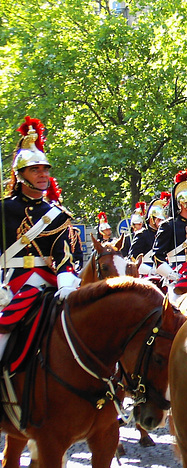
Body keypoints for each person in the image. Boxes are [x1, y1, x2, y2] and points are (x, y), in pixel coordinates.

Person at [0, 116, 79, 360]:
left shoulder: (55, 214)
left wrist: (66, 284)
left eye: (45, 169)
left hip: (48, 283)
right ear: (21, 174)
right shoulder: (4, 210)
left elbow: (64, 256)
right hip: (10, 285)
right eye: (35, 170)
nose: (43, 174)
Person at [151, 169, 187, 299]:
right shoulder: (168, 226)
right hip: (177, 277)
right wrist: (171, 275)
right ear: (183, 204)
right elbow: (157, 257)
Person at [130, 192, 170, 275]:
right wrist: (149, 271)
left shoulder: (166, 234)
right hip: (147, 273)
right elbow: (133, 259)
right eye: (159, 220)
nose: (162, 223)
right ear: (152, 219)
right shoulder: (142, 234)